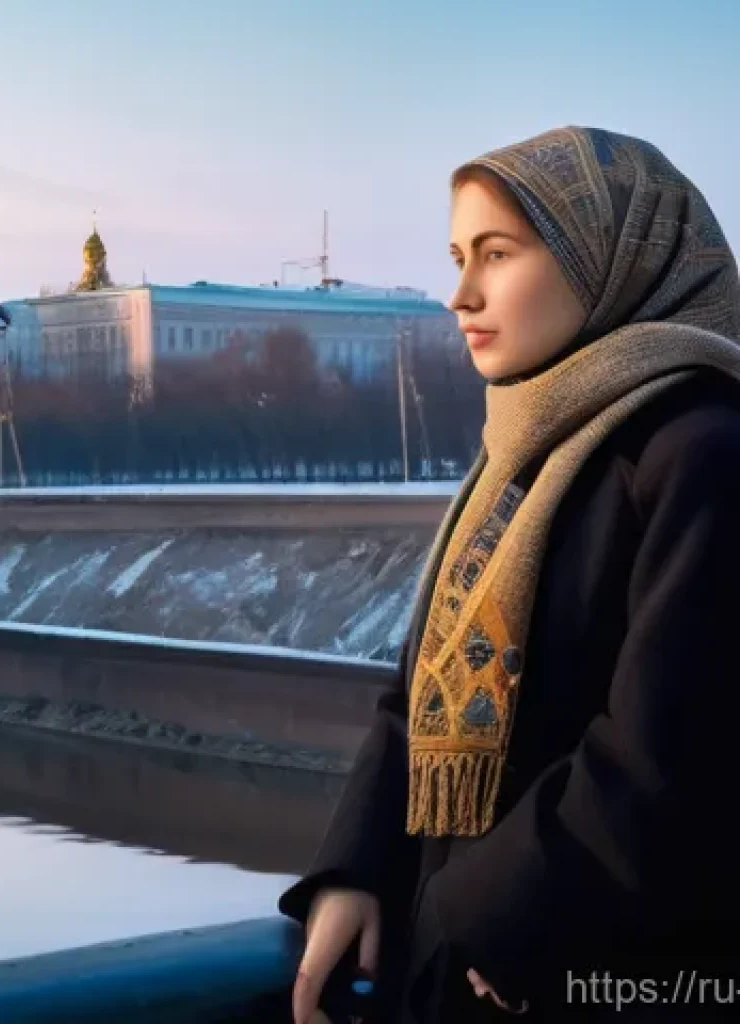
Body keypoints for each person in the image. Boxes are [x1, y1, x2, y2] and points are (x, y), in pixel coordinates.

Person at [277, 125, 740, 1023]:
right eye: (458, 258)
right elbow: (422, 691)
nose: (461, 295)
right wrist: (356, 871)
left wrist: (479, 919)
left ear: (608, 260)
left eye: (497, 254)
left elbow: (665, 766)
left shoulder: (704, 453)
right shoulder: (520, 455)